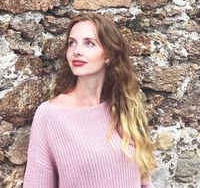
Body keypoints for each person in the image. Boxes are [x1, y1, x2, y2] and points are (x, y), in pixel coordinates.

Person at [23, 13, 156, 188]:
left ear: (108, 55)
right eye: (72, 43)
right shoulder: (50, 115)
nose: (77, 51)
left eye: (89, 43)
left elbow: (144, 182)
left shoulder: (125, 107)